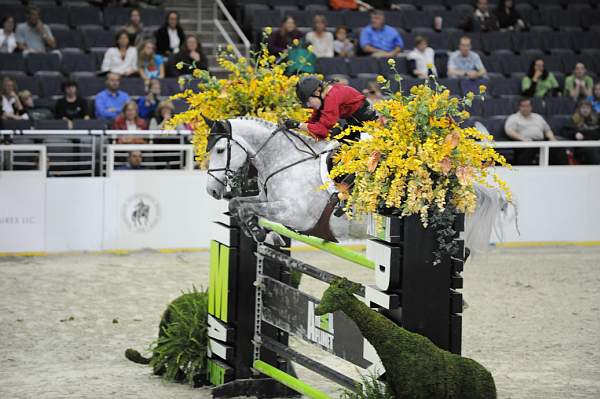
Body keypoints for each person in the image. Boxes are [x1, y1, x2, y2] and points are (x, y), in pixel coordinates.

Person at [284, 76, 378, 142]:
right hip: (355, 122)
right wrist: (296, 127)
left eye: (308, 101)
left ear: (317, 92)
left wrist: (298, 125)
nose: (308, 105)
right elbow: (313, 121)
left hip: (369, 127)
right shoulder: (323, 98)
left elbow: (322, 130)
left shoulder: (331, 98)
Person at [504, 98, 566, 165]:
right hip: (524, 142)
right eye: (523, 106)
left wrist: (552, 138)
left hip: (541, 142)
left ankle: (563, 171)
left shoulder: (538, 117)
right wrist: (523, 139)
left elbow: (547, 130)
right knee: (529, 150)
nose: (526, 108)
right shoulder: (514, 117)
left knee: (558, 149)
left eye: (528, 106)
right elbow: (509, 130)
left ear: (531, 107)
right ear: (519, 107)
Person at [561, 100, 600, 164]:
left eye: (587, 108)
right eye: (583, 108)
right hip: (582, 147)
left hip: (596, 144)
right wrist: (575, 134)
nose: (585, 110)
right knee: (593, 151)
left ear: (591, 109)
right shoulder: (574, 119)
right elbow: (564, 131)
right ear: (579, 109)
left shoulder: (596, 119)